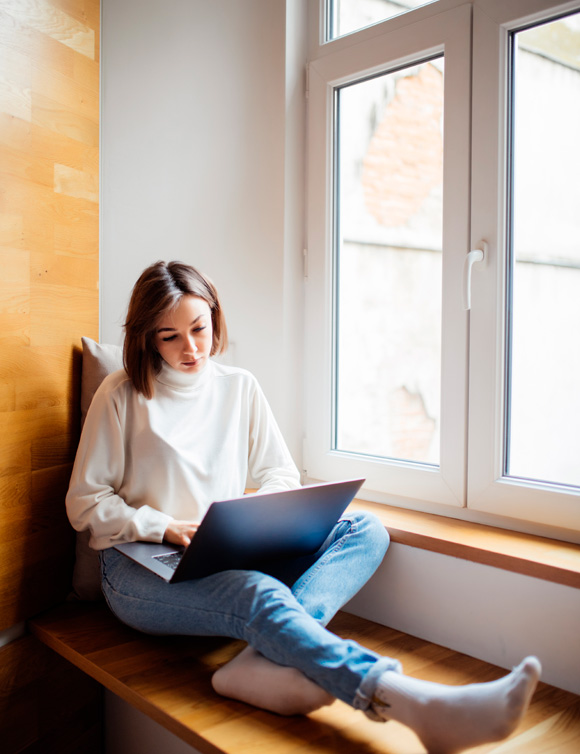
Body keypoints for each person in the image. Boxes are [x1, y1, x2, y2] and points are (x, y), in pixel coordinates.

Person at [66, 260, 541, 753]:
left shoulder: (238, 387)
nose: (191, 348)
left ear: (214, 318)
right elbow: (85, 502)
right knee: (251, 590)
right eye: (169, 336)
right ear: (146, 338)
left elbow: (278, 473)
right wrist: (164, 527)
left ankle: (260, 661)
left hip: (224, 550)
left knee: (365, 528)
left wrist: (258, 521)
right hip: (138, 565)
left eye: (199, 329)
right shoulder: (121, 395)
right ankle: (410, 702)